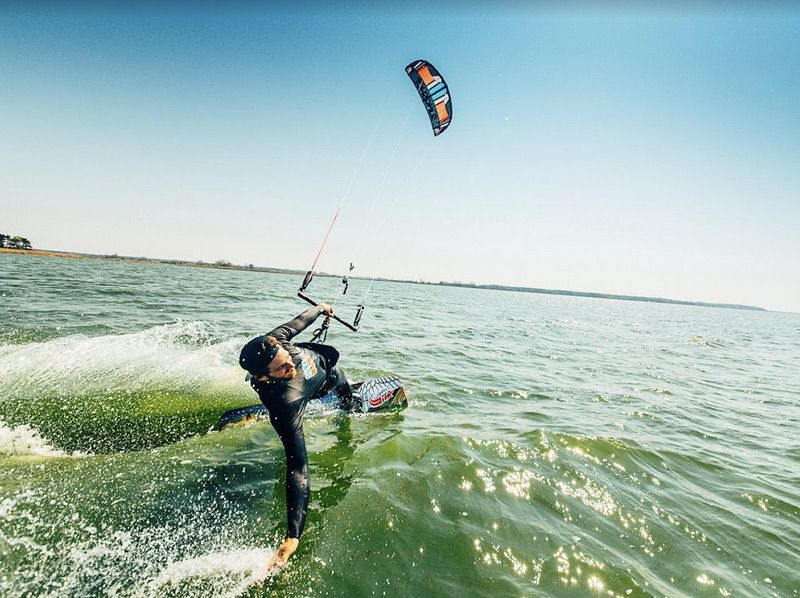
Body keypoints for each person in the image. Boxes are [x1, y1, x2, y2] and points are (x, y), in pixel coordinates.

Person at [238, 304, 352, 573]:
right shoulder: (285, 404)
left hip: (326, 367)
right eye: (281, 367)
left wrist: (320, 308)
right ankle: (346, 402)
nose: (290, 363)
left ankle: (350, 403)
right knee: (338, 381)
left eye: (284, 356)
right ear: (263, 375)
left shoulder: (274, 342)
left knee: (341, 377)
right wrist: (293, 534)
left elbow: (300, 321)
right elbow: (298, 467)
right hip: (320, 386)